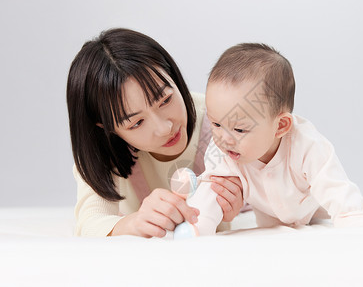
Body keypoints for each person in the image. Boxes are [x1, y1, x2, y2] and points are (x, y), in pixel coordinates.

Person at [174, 43, 363, 237]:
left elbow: (332, 182)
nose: (224, 139)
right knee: (215, 185)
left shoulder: (306, 144)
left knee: (325, 200)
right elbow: (211, 190)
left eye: (239, 129)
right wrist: (199, 225)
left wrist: (350, 217)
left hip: (311, 205)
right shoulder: (221, 153)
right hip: (270, 221)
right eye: (216, 124)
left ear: (280, 126)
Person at [66, 28, 244, 238]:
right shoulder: (102, 151)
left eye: (165, 100)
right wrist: (133, 223)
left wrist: (242, 202)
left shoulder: (222, 120)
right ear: (106, 128)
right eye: (137, 123)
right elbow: (90, 224)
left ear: (173, 76)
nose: (164, 128)